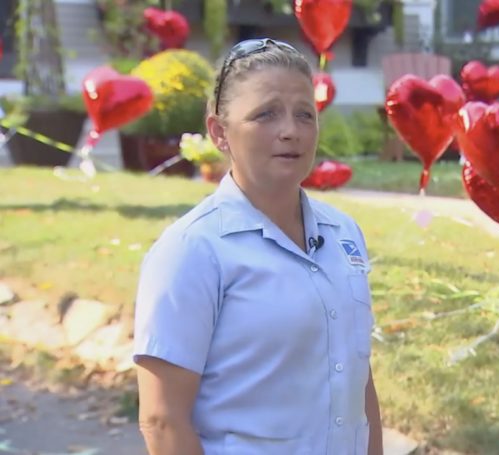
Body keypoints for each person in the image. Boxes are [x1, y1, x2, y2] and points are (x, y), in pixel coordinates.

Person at [133, 38, 383, 455]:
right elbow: (163, 420)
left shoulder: (343, 233)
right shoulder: (192, 250)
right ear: (220, 132)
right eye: (266, 114)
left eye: (305, 114)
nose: (291, 131)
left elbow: (355, 378)